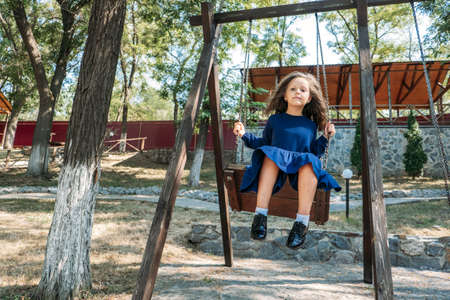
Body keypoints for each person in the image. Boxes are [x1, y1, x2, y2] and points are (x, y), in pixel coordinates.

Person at [233, 71, 341, 249]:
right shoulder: (275, 120)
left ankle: (301, 223)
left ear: (309, 98)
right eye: (293, 89)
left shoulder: (310, 125)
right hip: (274, 169)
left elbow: (314, 151)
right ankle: (260, 216)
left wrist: (325, 138)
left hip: (300, 172)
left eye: (303, 90)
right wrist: (244, 135)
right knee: (270, 155)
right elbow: (264, 143)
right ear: (284, 96)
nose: (298, 92)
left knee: (309, 161)